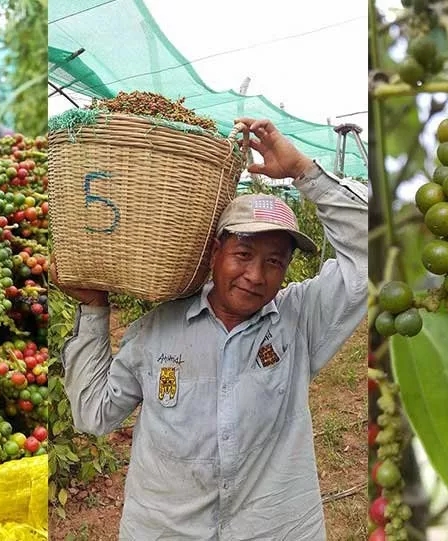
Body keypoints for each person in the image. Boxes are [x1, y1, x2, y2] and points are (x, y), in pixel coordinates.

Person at [52, 117, 371, 540]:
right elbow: (94, 414)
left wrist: (303, 172)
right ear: (215, 252)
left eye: (274, 261)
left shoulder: (298, 320)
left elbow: (373, 253)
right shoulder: (155, 330)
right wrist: (94, 310)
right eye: (243, 253)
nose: (256, 275)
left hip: (275, 528)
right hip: (166, 530)